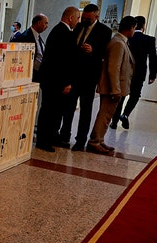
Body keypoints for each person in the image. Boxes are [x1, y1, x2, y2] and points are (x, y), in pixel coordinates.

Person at [61, 4, 112, 151]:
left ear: (96, 16)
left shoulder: (104, 31)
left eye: (88, 18)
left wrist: (93, 51)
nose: (84, 20)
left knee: (85, 110)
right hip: (73, 75)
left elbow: (104, 54)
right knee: (69, 108)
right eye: (83, 17)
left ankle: (80, 140)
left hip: (89, 77)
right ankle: (65, 135)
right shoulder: (78, 27)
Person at [87, 16, 136, 154]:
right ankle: (94, 141)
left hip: (114, 88)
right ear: (131, 28)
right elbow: (113, 68)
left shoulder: (120, 41)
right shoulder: (118, 43)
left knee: (107, 116)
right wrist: (115, 89)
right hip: (111, 88)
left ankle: (99, 140)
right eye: (134, 28)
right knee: (104, 115)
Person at [35, 7, 81, 152]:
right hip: (54, 81)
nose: (78, 21)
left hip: (52, 80)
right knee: (50, 111)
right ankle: (43, 140)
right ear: (71, 18)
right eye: (77, 18)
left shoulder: (60, 31)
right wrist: (66, 83)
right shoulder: (62, 32)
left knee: (54, 111)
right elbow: (60, 61)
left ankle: (51, 137)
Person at [111, 15, 157, 129]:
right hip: (140, 72)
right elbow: (153, 58)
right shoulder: (149, 39)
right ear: (144, 26)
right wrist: (152, 75)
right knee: (135, 95)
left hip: (125, 71)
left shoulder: (127, 37)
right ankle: (125, 114)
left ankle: (114, 121)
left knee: (121, 95)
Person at [12, 13, 49, 83]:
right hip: (30, 75)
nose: (47, 26)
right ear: (39, 23)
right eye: (45, 23)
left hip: (39, 74)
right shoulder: (25, 37)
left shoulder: (38, 37)